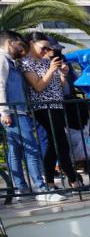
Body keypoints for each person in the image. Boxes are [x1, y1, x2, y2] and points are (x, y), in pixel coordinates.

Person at [0, 31, 59, 201]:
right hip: (14, 112)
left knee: (16, 151)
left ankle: (22, 190)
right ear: (10, 43)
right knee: (31, 149)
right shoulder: (3, 60)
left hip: (18, 111)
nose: (23, 48)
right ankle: (40, 190)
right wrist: (4, 112)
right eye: (20, 44)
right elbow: (0, 85)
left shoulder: (12, 62)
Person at [20, 33, 81, 189]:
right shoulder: (26, 63)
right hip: (43, 107)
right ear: (31, 44)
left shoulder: (46, 61)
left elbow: (57, 87)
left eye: (48, 47)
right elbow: (39, 87)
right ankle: (74, 181)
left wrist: (62, 74)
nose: (46, 51)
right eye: (43, 47)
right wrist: (51, 70)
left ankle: (49, 181)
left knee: (54, 145)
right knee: (61, 144)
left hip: (57, 105)